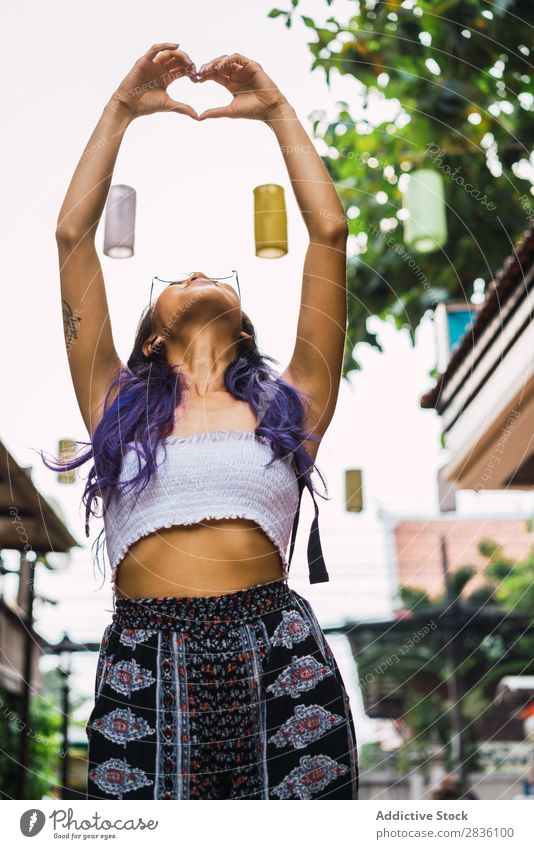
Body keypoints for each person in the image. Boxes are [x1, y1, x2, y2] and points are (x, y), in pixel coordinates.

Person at [45, 42, 359, 800]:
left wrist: (278, 111)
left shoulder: (290, 407)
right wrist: (123, 107)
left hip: (280, 653)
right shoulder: (115, 405)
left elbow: (329, 235)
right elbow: (71, 238)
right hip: (146, 657)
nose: (197, 272)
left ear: (245, 326)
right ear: (150, 335)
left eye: (214, 275)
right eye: (176, 279)